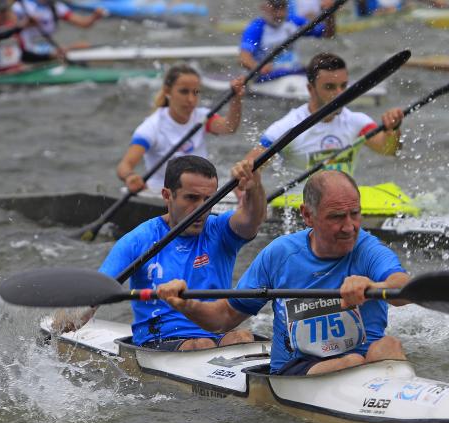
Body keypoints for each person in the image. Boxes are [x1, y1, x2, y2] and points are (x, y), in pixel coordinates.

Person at [157, 169, 410, 375]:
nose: (349, 227)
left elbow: (402, 288)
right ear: (307, 216)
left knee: (388, 346)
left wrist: (373, 287)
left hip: (366, 366)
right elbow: (224, 317)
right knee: (352, 361)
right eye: (336, 217)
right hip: (298, 371)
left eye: (354, 214)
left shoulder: (368, 249)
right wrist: (186, 305)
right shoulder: (280, 255)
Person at [54, 155, 267, 351]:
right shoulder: (138, 240)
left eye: (208, 199)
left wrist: (254, 188)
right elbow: (96, 291)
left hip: (213, 337)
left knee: (243, 338)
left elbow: (252, 219)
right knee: (201, 344)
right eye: (191, 198)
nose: (201, 208)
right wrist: (65, 320)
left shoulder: (221, 231)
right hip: (158, 341)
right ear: (167, 195)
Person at [246, 52, 403, 178]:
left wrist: (392, 129)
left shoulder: (357, 121)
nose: (340, 94)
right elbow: (248, 171)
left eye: (343, 86)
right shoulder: (287, 127)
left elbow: (388, 150)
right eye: (330, 87)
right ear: (310, 89)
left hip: (341, 208)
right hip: (299, 211)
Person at [117, 64, 245, 195]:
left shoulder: (202, 117)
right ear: (167, 91)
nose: (191, 99)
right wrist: (130, 177)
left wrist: (236, 99)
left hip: (199, 192)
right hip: (162, 194)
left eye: (195, 92)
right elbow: (124, 165)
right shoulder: (151, 127)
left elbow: (229, 127)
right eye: (184, 91)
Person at [239, 0, 336, 82]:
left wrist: (330, 12)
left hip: (295, 72)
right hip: (269, 76)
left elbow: (327, 34)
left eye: (282, 8)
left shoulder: (294, 21)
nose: (280, 14)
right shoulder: (255, 29)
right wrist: (259, 68)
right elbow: (244, 59)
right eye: (275, 9)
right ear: (264, 8)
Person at [12, 0, 105, 63]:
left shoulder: (56, 7)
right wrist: (26, 23)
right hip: (27, 51)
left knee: (84, 46)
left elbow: (84, 24)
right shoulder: (20, 6)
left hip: (48, 47)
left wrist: (95, 17)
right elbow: (8, 28)